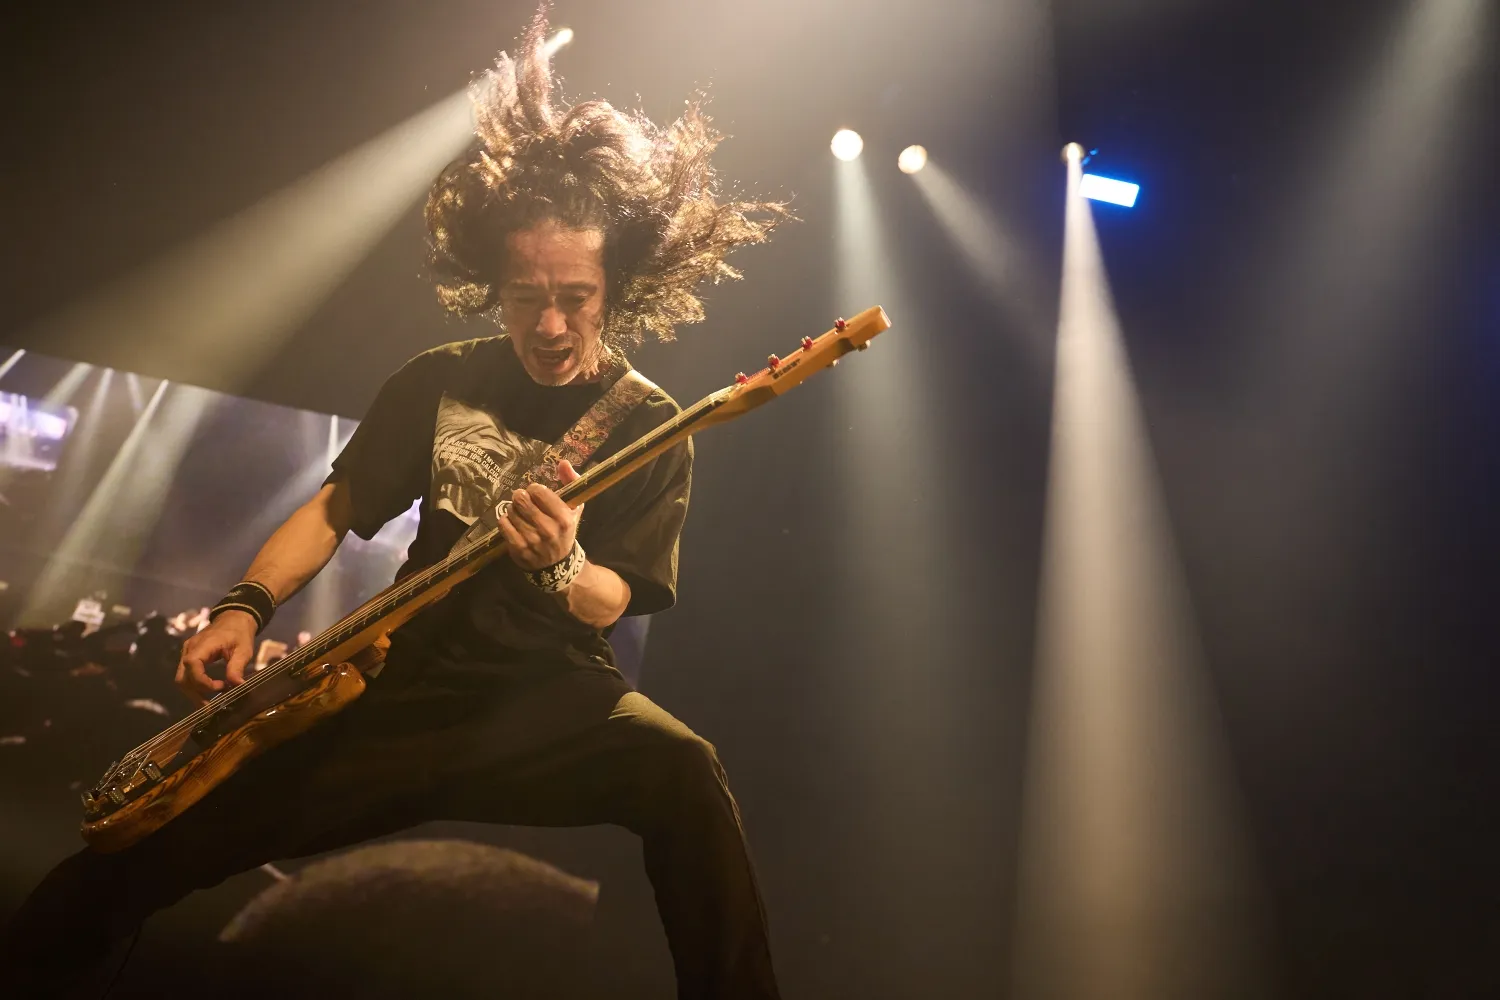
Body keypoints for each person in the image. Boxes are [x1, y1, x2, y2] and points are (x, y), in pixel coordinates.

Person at [1, 10, 786, 998]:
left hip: (550, 701)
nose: (549, 322)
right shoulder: (437, 380)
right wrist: (243, 607)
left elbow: (611, 599)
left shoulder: (652, 421)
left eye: (576, 296)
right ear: (494, 284)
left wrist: (560, 566)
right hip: (392, 685)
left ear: (615, 286)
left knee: (687, 775)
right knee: (134, 854)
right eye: (525, 294)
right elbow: (333, 508)